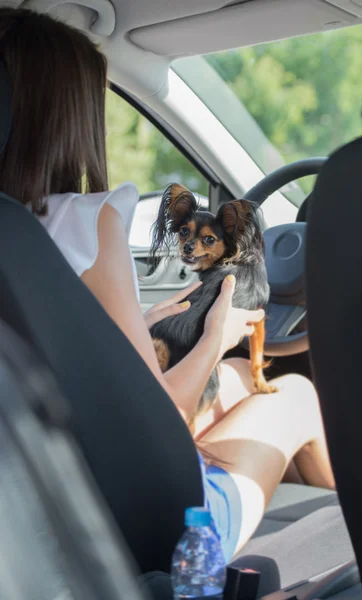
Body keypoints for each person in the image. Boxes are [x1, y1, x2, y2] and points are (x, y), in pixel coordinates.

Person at [0, 8, 335, 563]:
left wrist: (143, 330)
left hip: (41, 508)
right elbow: (160, 408)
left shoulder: (19, 234)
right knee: (296, 394)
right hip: (160, 537)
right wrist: (217, 332)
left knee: (236, 379)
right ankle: (351, 530)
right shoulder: (88, 219)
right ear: (68, 118)